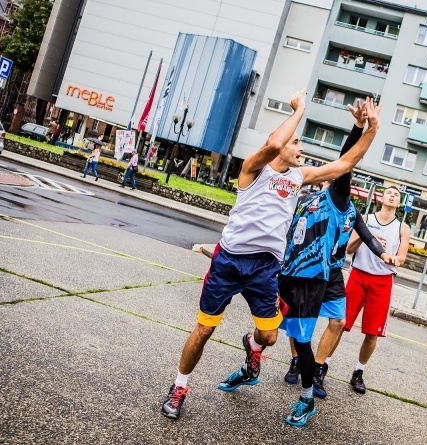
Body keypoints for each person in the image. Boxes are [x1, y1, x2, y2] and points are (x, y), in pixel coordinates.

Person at [161, 92, 381, 421]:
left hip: (264, 268)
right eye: (297, 142)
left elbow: (345, 164)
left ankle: (252, 349)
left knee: (269, 337)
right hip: (229, 261)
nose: (301, 148)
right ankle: (179, 387)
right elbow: (275, 146)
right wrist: (299, 109)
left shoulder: (298, 177)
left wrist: (370, 129)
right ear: (278, 143)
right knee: (204, 330)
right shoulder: (253, 170)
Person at [278, 102, 396, 426]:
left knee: (337, 322)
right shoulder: (327, 197)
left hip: (331, 272)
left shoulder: (351, 210)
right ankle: (295, 361)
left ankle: (315, 369)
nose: (350, 184)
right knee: (298, 324)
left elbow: (369, 236)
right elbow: (346, 162)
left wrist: (384, 255)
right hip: (306, 269)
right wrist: (360, 128)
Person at [327, 185, 410, 394]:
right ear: (381, 198)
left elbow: (402, 257)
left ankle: (358, 372)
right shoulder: (366, 218)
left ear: (398, 203)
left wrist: (393, 259)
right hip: (359, 275)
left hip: (382, 281)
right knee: (340, 323)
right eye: (389, 193)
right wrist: (368, 237)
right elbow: (349, 248)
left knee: (372, 332)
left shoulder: (402, 227)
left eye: (396, 195)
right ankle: (323, 364)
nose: (392, 196)